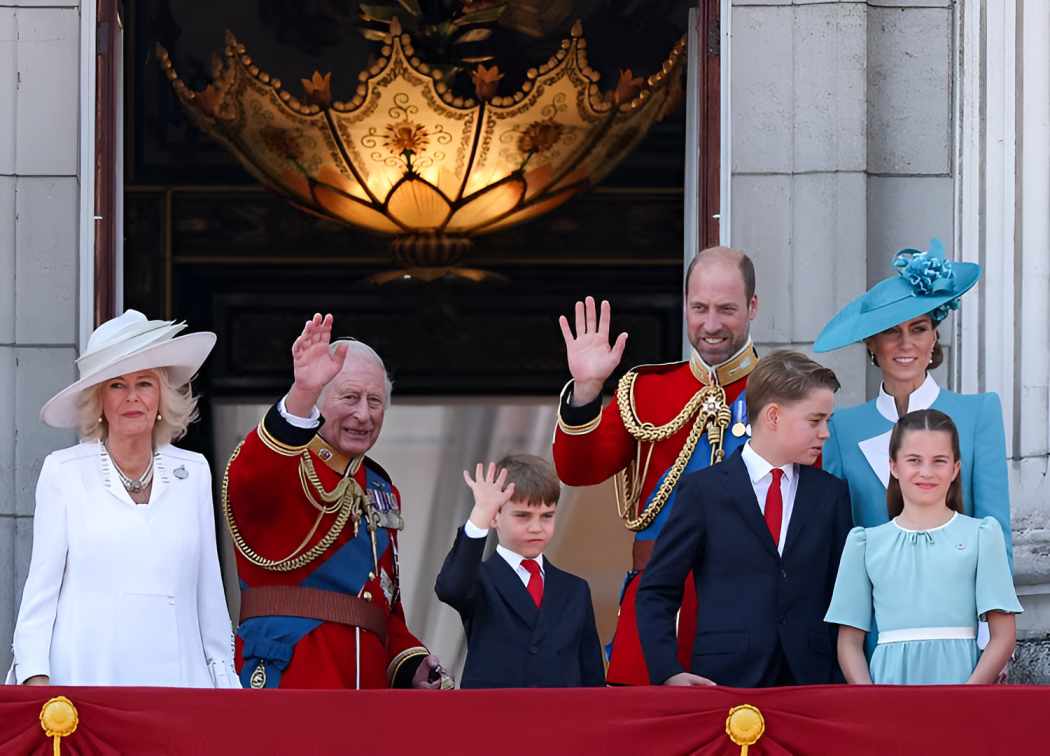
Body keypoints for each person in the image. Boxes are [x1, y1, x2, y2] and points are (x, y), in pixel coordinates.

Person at [552, 246, 761, 685]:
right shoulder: (646, 390)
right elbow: (579, 470)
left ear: (753, 307)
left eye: (726, 309)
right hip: (656, 608)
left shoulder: (781, 392)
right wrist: (586, 390)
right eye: (699, 308)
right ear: (684, 306)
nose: (711, 324)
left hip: (750, 604)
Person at [7, 310, 238, 687]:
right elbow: (40, 595)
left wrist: (224, 683)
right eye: (117, 385)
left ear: (161, 395)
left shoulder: (192, 472)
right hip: (86, 684)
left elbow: (209, 594)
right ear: (99, 399)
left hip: (179, 686)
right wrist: (36, 681)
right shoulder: (64, 472)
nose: (133, 397)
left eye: (144, 383)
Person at [223, 313, 446, 689]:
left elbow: (381, 606)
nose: (363, 414)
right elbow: (250, 476)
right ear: (319, 400)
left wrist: (411, 663)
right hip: (290, 676)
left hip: (366, 690)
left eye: (375, 401)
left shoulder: (380, 488)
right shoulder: (284, 464)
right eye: (350, 397)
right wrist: (301, 395)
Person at [636, 351, 852, 687]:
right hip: (725, 680)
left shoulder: (831, 494)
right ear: (773, 416)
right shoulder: (703, 492)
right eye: (815, 420)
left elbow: (844, 596)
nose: (825, 433)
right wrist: (668, 671)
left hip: (813, 681)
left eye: (828, 421)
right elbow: (657, 590)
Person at [815, 239, 1011, 555]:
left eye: (918, 329)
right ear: (871, 343)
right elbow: (837, 542)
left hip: (959, 587)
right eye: (891, 331)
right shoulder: (842, 429)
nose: (905, 343)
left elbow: (995, 536)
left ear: (934, 338)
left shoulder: (978, 414)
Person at [825, 410, 1021, 685]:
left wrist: (966, 696)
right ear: (894, 466)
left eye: (939, 461)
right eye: (914, 460)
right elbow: (849, 643)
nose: (926, 472)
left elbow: (1003, 636)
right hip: (888, 692)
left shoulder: (982, 535)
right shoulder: (865, 544)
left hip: (962, 686)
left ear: (955, 468)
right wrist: (871, 699)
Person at [435, 455, 605, 688]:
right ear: (495, 517)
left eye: (547, 516)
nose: (536, 528)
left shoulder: (575, 589)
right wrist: (480, 514)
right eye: (522, 516)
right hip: (496, 710)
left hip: (561, 711)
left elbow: (591, 676)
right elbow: (451, 588)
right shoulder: (479, 580)